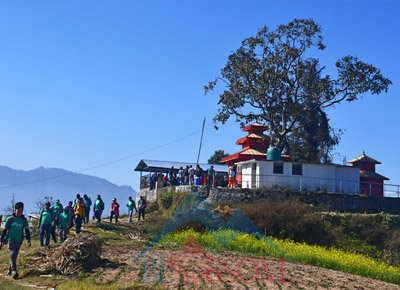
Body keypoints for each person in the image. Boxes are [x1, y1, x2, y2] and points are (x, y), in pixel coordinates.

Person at [0, 202, 31, 280]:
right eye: (18, 210)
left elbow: (26, 230)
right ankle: (14, 271)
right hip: (10, 240)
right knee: (12, 255)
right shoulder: (10, 219)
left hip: (19, 241)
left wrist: (28, 240)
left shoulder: (24, 220)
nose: (20, 211)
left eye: (21, 210)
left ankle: (9, 270)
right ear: (15, 209)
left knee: (14, 257)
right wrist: (1, 240)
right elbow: (5, 230)